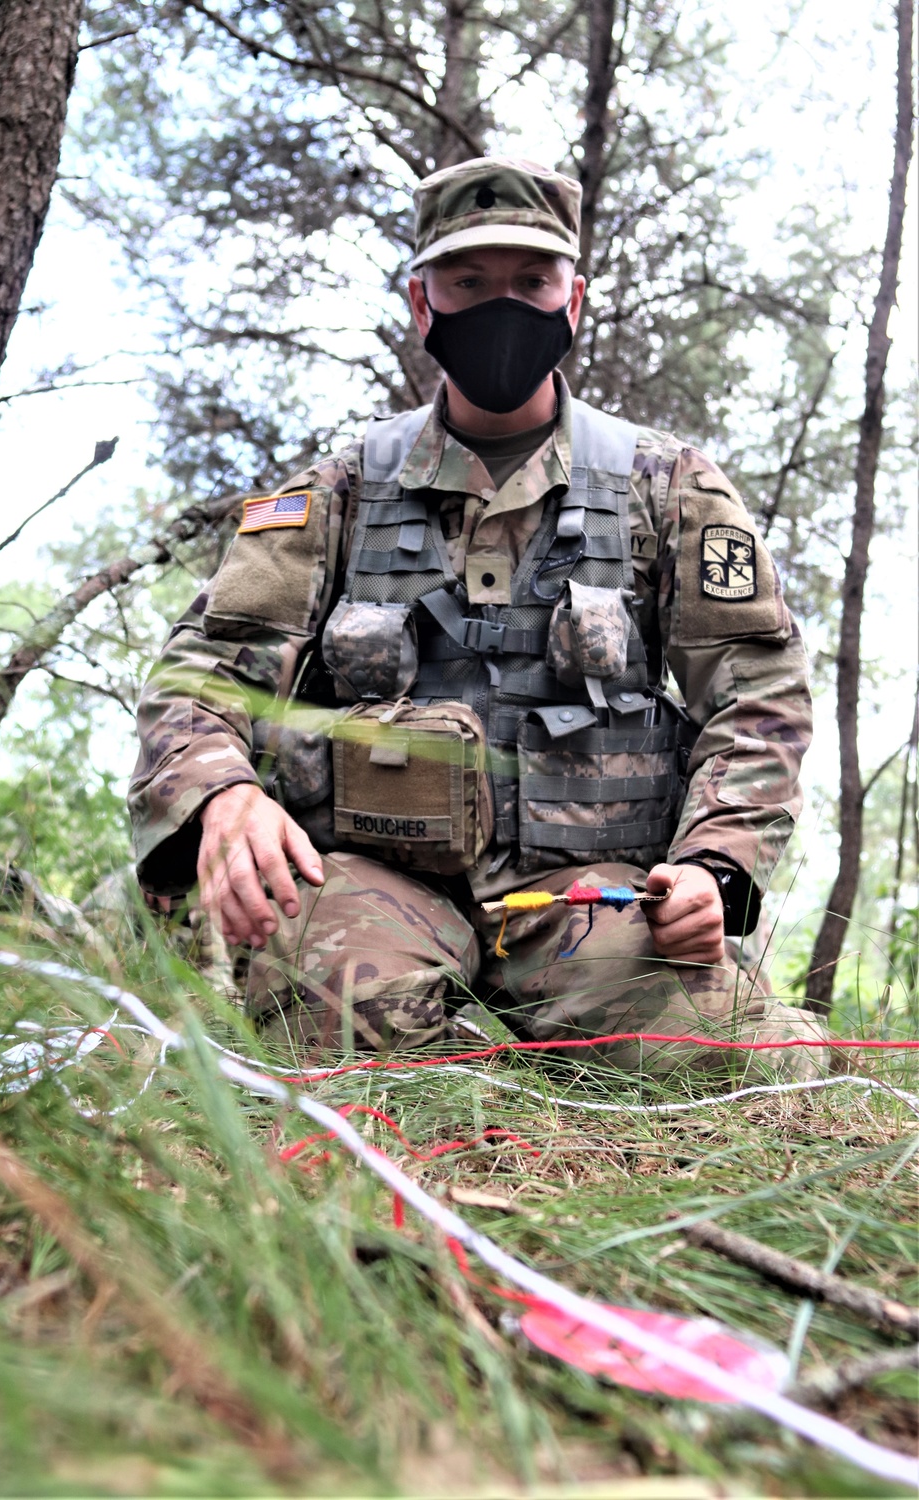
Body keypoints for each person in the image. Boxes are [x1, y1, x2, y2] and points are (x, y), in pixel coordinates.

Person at [128, 157, 826, 1076]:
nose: (505, 305)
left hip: (596, 896)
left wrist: (715, 866)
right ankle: (473, 1060)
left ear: (572, 301)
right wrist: (223, 794)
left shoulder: (669, 488)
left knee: (739, 1067)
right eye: (469, 282)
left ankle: (570, 1040)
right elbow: (199, 678)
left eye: (531, 282)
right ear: (424, 305)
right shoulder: (338, 493)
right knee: (354, 1042)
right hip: (375, 886)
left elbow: (761, 697)